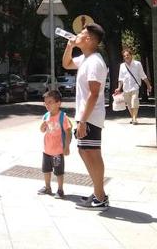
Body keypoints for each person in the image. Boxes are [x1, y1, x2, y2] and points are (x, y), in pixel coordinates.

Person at [61, 23, 109, 208]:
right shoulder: (86, 59)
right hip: (86, 116)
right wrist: (69, 46)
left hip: (90, 117)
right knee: (84, 151)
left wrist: (82, 120)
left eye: (81, 33)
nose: (77, 35)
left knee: (92, 153)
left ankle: (100, 196)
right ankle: (99, 193)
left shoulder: (95, 62)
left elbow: (94, 93)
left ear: (89, 39)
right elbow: (66, 64)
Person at [37, 90, 72, 199]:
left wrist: (67, 147)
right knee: (46, 170)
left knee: (59, 172)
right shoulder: (46, 115)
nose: (47, 105)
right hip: (47, 150)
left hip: (58, 151)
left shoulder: (63, 117)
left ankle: (60, 189)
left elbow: (68, 132)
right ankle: (47, 187)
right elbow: (42, 130)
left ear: (58, 103)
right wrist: (42, 126)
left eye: (50, 102)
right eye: (45, 103)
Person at [114, 48, 152, 125]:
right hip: (126, 88)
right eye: (124, 56)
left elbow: (143, 75)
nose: (126, 57)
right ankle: (133, 117)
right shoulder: (122, 66)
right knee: (129, 104)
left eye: (127, 55)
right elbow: (121, 78)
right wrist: (119, 88)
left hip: (135, 87)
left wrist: (148, 85)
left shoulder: (137, 64)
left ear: (131, 55)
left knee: (134, 101)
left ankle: (134, 119)